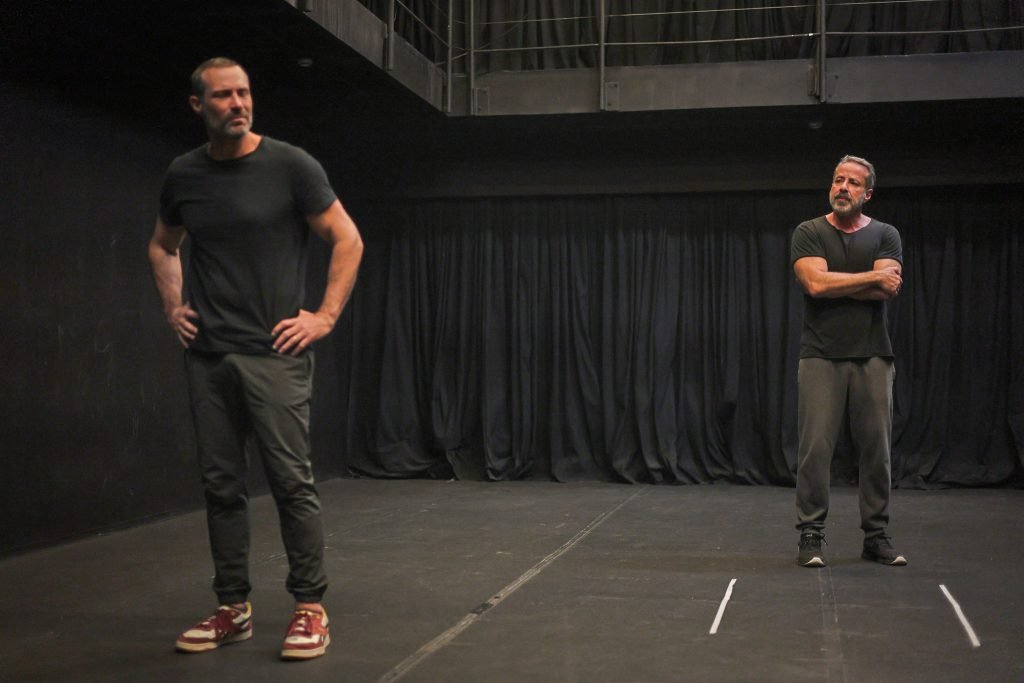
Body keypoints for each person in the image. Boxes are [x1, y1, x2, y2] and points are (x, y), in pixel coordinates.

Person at [148, 57, 363, 659]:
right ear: (199, 106)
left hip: (274, 355)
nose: (237, 104)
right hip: (209, 358)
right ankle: (232, 607)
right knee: (221, 486)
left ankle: (310, 608)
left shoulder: (291, 165)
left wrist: (323, 317)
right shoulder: (183, 174)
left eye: (244, 92)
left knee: (292, 483)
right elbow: (163, 245)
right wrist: (173, 309)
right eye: (223, 96)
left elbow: (347, 237)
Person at [791, 155, 907, 568]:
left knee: (877, 450)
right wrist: (868, 277)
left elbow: (887, 288)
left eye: (853, 183)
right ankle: (811, 532)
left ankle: (875, 535)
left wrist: (840, 283)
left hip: (874, 354)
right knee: (815, 449)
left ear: (867, 193)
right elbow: (815, 283)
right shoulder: (809, 232)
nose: (842, 187)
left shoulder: (885, 234)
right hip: (821, 353)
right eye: (838, 180)